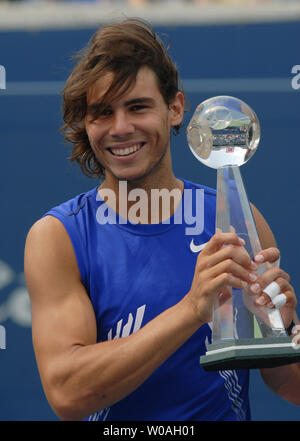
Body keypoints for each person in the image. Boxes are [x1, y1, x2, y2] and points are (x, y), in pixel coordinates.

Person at [24, 18, 300, 421]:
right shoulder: (59, 237)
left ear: (175, 108)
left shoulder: (236, 224)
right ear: (86, 123)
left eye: (137, 107)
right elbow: (68, 393)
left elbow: (290, 385)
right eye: (102, 112)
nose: (121, 128)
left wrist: (280, 329)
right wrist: (192, 309)